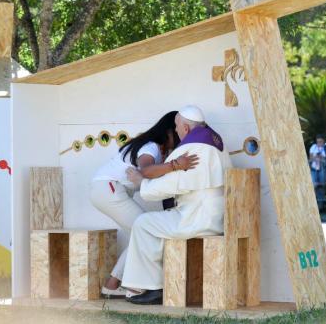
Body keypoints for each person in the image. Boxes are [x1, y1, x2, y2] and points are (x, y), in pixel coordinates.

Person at [120, 105, 232, 305]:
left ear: (186, 129)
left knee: (143, 223)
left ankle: (151, 287)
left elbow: (162, 189)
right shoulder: (218, 146)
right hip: (217, 216)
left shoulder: (191, 150)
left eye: (177, 126)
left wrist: (141, 182)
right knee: (157, 223)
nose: (177, 131)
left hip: (197, 218)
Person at [89, 110, 199, 298]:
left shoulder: (158, 150)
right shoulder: (151, 147)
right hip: (109, 189)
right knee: (145, 231)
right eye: (179, 133)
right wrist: (176, 165)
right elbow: (146, 169)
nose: (181, 138)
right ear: (169, 132)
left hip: (107, 190)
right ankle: (128, 285)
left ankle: (113, 283)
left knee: (139, 233)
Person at [309, 135, 326, 208]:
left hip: (322, 169)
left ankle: (320, 206)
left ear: (323, 141)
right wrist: (316, 156)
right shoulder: (313, 147)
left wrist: (320, 156)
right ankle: (313, 205)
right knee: (314, 186)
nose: (319, 143)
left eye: (320, 142)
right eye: (318, 142)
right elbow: (310, 157)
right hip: (314, 169)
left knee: (322, 186)